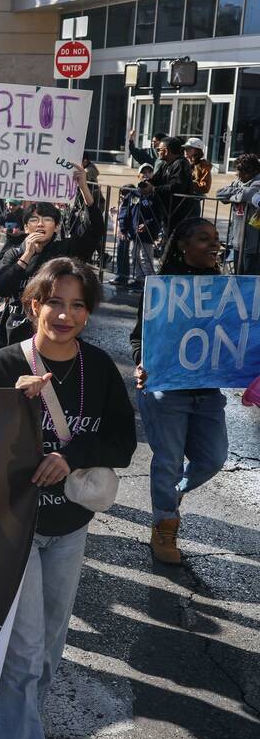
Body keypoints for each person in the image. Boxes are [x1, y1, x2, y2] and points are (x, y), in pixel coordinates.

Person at [0, 257, 136, 739]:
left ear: (88, 313)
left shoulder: (99, 369)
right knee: (21, 662)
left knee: (46, 658)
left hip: (69, 529)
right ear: (32, 305)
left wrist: (75, 451)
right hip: (11, 531)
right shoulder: (2, 366)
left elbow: (123, 439)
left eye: (77, 304)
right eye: (54, 302)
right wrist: (10, 408)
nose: (64, 314)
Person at [131, 217, 229, 564]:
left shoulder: (226, 287)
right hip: (166, 391)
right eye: (204, 239)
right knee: (168, 462)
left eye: (216, 239)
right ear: (183, 246)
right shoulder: (161, 286)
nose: (214, 245)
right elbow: (139, 337)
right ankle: (164, 526)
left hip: (208, 392)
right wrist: (141, 362)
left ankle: (171, 497)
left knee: (213, 458)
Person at [0, 176, 102, 347]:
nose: (41, 224)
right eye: (34, 220)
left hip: (55, 332)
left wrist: (84, 188)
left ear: (56, 227)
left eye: (48, 219)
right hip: (16, 335)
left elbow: (94, 229)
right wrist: (26, 257)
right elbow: (1, 287)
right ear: (26, 227)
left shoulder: (66, 251)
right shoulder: (13, 252)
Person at [110, 165, 161, 288]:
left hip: (147, 233)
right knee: (135, 256)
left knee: (146, 257)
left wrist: (147, 224)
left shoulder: (155, 195)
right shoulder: (133, 195)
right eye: (143, 173)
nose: (146, 175)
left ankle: (149, 282)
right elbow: (124, 211)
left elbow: (158, 215)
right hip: (134, 231)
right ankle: (139, 280)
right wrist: (123, 227)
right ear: (138, 176)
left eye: (149, 172)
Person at [140, 136, 194, 235]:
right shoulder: (165, 164)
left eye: (159, 149)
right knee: (166, 240)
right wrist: (147, 183)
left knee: (174, 242)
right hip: (167, 212)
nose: (157, 152)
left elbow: (176, 186)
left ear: (166, 151)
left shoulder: (181, 163)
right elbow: (156, 179)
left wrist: (153, 189)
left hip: (178, 214)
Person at [217, 153, 260, 274]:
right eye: (238, 171)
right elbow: (220, 194)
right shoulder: (239, 182)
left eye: (242, 172)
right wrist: (239, 194)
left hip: (253, 244)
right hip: (237, 239)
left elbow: (249, 194)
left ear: (252, 172)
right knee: (238, 276)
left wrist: (234, 194)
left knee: (250, 279)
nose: (238, 175)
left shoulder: (257, 182)